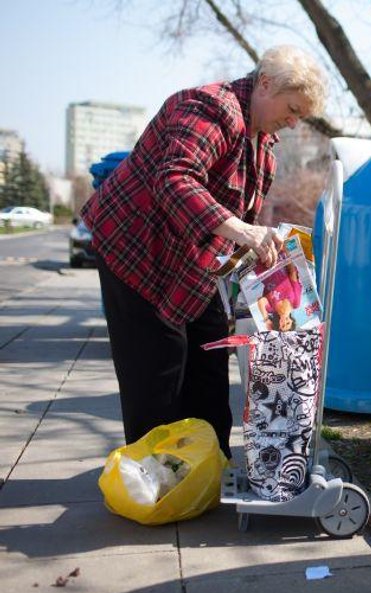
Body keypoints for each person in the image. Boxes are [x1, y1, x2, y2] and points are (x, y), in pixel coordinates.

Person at [81, 45, 326, 459]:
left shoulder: (263, 146)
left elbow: (238, 220)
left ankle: (208, 465)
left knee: (211, 353)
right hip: (136, 247)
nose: (294, 120)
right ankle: (154, 474)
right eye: (293, 108)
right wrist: (244, 231)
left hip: (189, 260)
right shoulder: (210, 109)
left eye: (301, 114)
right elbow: (176, 178)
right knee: (157, 367)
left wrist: (260, 253)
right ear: (266, 84)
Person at [257, 260, 302, 331]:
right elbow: (292, 273)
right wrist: (285, 253)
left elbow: (261, 301)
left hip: (261, 268)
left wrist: (266, 320)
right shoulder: (296, 303)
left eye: (283, 325)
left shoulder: (271, 309)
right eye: (288, 323)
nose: (285, 322)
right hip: (277, 261)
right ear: (292, 321)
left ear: (279, 326)